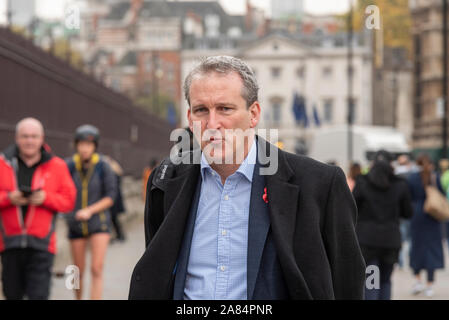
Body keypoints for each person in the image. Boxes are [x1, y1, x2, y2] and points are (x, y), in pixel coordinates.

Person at [129, 56, 366, 300]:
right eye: (201, 110)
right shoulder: (165, 181)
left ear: (253, 114)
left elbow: (346, 281)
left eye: (225, 109)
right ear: (190, 119)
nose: (212, 123)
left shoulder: (319, 184)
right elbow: (158, 270)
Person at [0, 117, 76, 300]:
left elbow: (69, 201)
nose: (29, 141)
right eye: (25, 136)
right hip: (10, 245)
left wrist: (45, 198)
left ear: (42, 139)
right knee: (12, 295)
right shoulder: (2, 164)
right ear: (17, 138)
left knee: (39, 296)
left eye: (34, 136)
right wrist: (9, 198)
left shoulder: (57, 166)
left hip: (42, 245)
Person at [65, 124, 117, 300]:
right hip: (75, 223)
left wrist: (90, 210)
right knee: (76, 271)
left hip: (98, 222)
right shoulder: (69, 166)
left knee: (96, 268)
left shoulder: (104, 166)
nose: (85, 148)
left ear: (95, 146)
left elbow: (111, 196)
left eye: (88, 144)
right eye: (81, 144)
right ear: (76, 145)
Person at [353, 150, 413, 300]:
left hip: (367, 240)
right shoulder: (400, 185)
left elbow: (352, 208)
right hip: (390, 240)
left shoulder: (362, 183)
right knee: (385, 280)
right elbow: (408, 212)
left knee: (371, 281)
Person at [407, 153, 445, 298]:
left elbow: (408, 197)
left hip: (417, 216)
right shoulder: (434, 177)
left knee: (417, 248)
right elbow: (441, 194)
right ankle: (429, 284)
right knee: (432, 249)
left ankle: (418, 281)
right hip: (433, 216)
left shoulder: (412, 178)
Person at [103, 155, 126, 243]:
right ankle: (119, 235)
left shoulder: (111, 172)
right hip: (116, 198)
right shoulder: (116, 171)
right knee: (114, 219)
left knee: (113, 219)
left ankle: (119, 236)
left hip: (113, 199)